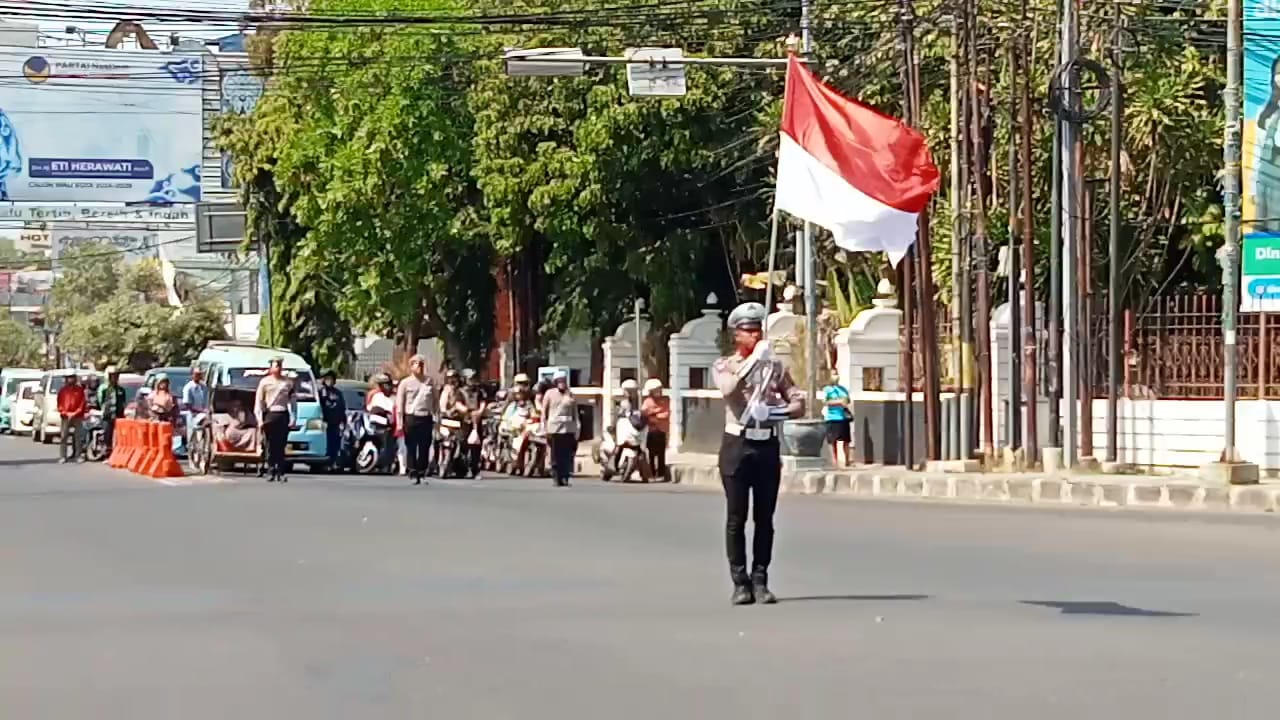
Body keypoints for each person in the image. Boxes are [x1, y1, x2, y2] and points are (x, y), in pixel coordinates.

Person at [713, 301, 805, 606]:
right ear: (735, 334)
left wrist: (777, 412)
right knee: (736, 518)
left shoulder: (776, 368)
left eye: (757, 329)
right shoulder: (725, 365)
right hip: (737, 445)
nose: (754, 335)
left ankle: (760, 579)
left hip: (766, 445)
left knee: (765, 518)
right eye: (747, 330)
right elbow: (729, 390)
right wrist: (753, 362)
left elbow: (797, 403)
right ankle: (740, 582)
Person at [254, 357, 297, 483]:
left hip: (283, 414)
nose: (278, 368)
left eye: (280, 365)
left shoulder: (288, 383)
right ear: (270, 368)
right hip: (270, 414)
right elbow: (259, 402)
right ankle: (270, 470)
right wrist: (260, 419)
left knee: (281, 445)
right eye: (275, 366)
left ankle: (281, 471)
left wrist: (294, 417)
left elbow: (293, 401)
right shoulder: (264, 382)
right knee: (270, 445)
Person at [396, 355, 436, 485]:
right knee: (411, 446)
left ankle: (422, 472)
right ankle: (413, 472)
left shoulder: (430, 382)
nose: (420, 367)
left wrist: (438, 418)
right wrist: (400, 422)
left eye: (422, 364)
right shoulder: (405, 383)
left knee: (425, 446)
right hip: (411, 417)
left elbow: (435, 401)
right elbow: (400, 404)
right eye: (417, 364)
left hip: (426, 417)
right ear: (411, 366)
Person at [540, 370, 579, 488]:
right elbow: (544, 412)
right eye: (560, 381)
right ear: (556, 382)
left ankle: (565, 476)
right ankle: (556, 476)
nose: (562, 383)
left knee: (567, 454)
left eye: (564, 381)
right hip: (554, 428)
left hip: (568, 428)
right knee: (555, 454)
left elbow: (575, 413)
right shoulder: (549, 394)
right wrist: (544, 427)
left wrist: (577, 427)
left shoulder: (570, 394)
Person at [641, 378, 671, 482]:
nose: (659, 392)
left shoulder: (665, 400)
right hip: (651, 432)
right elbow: (644, 413)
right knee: (652, 454)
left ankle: (661, 474)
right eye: (656, 390)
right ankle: (652, 473)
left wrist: (654, 414)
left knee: (661, 453)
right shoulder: (648, 401)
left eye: (659, 389)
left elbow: (666, 414)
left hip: (662, 431)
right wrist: (653, 415)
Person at [317, 369, 347, 470]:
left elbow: (342, 408)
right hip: (324, 424)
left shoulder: (338, 393)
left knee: (335, 444)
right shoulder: (320, 393)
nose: (329, 381)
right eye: (327, 379)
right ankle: (323, 464)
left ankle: (332, 462)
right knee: (325, 444)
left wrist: (343, 422)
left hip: (335, 424)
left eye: (331, 379)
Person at [822, 373, 853, 467]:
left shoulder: (843, 389)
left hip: (843, 417)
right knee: (832, 441)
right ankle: (834, 461)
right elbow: (825, 402)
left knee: (846, 440)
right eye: (834, 374)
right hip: (832, 418)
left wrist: (845, 402)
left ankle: (847, 460)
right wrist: (838, 402)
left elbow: (848, 400)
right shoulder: (827, 390)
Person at [461, 369, 488, 477]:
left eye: (473, 378)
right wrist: (466, 410)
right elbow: (458, 403)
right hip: (464, 422)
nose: (472, 380)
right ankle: (463, 468)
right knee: (464, 445)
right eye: (470, 378)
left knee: (476, 447)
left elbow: (483, 402)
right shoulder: (461, 391)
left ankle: (475, 469)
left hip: (477, 421)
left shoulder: (479, 391)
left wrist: (479, 412)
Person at [56, 374, 88, 463]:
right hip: (65, 417)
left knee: (78, 437)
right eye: (68, 378)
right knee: (63, 437)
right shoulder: (62, 391)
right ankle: (63, 456)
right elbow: (59, 404)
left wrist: (75, 413)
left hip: (77, 416)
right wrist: (66, 413)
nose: (70, 379)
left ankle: (78, 455)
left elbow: (82, 403)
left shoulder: (80, 390)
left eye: (72, 377)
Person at [97, 367, 127, 456]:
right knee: (107, 435)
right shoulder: (104, 388)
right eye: (112, 376)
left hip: (119, 416)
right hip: (107, 416)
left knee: (118, 436)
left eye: (116, 376)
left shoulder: (121, 389)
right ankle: (107, 453)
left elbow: (123, 402)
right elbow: (100, 400)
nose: (114, 378)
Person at [181, 367, 209, 449]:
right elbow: (187, 404)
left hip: (203, 413)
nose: (198, 376)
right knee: (193, 436)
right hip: (193, 414)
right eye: (196, 374)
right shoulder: (188, 387)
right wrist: (200, 410)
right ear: (192, 375)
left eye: (200, 374)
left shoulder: (204, 386)